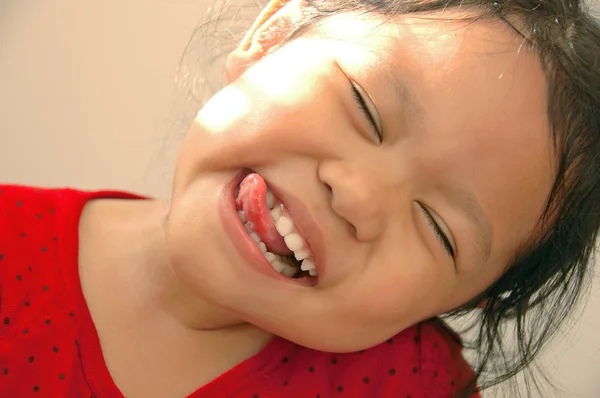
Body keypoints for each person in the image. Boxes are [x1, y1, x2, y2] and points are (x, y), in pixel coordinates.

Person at [1, 0, 599, 396]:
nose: (357, 196)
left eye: (437, 226)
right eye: (364, 107)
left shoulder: (407, 386)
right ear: (273, 35)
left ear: (470, 300)